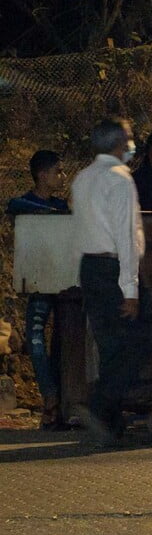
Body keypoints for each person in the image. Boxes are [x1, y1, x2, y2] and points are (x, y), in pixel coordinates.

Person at [71, 119, 148, 444]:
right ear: (119, 144)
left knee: (110, 346)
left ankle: (111, 423)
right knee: (138, 343)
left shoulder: (82, 178)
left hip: (90, 267)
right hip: (112, 268)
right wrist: (130, 290)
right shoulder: (119, 179)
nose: (132, 145)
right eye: (129, 139)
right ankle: (101, 406)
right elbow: (126, 236)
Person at [7, 150, 71, 430]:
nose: (62, 176)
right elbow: (13, 205)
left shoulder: (60, 204)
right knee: (35, 339)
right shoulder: (28, 203)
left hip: (63, 279)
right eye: (58, 171)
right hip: (40, 280)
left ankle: (58, 402)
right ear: (42, 174)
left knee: (61, 341)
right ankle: (51, 397)